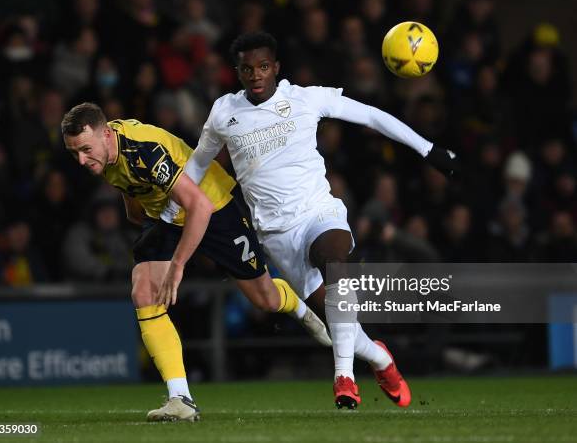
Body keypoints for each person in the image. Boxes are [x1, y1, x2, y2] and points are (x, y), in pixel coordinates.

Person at [163, 32, 459, 409]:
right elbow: (199, 164)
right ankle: (381, 358)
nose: (256, 75)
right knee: (341, 324)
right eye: (247, 68)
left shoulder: (305, 98)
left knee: (335, 262)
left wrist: (427, 148)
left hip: (320, 213)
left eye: (264, 66)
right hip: (275, 234)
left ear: (276, 68)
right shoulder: (224, 113)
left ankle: (344, 378)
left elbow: (369, 115)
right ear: (237, 73)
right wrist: (172, 211)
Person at [61, 103, 330, 422]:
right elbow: (131, 186)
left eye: (85, 149)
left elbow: (198, 206)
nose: (81, 159)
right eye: (74, 152)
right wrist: (140, 216)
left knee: (265, 299)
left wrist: (177, 266)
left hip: (212, 206)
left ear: (106, 134)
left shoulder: (145, 150)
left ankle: (296, 303)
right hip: (166, 213)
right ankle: (180, 399)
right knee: (144, 292)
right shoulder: (103, 151)